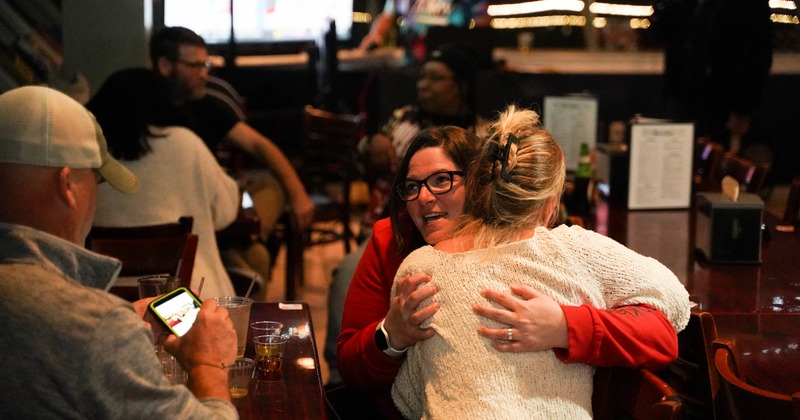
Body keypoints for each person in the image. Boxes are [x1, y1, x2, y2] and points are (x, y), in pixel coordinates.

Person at [337, 123, 684, 417]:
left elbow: (662, 329)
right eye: (411, 187)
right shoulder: (394, 243)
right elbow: (353, 368)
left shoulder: (555, 253)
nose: (424, 197)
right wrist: (390, 335)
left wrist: (565, 325)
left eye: (442, 180)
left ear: (479, 185)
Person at [0, 85, 238, 418]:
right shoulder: (95, 326)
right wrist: (207, 362)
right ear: (67, 186)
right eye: (96, 182)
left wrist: (119, 327)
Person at [324, 42, 490, 384]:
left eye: (442, 180)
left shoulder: (485, 136)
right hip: (397, 230)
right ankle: (336, 383)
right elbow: (358, 156)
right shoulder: (403, 119)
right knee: (348, 270)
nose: (422, 85)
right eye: (413, 186)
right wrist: (371, 144)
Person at [148, 26, 315, 295]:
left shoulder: (209, 100)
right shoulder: (144, 107)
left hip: (217, 206)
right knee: (258, 256)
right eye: (195, 66)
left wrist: (298, 195)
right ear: (165, 66)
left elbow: (259, 146)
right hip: (181, 216)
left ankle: (245, 241)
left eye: (206, 64)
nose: (205, 73)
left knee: (270, 190)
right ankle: (241, 248)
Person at [87, 68, 241, 299]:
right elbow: (225, 213)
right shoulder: (184, 143)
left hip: (105, 300)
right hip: (186, 303)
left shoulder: (88, 154)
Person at [651, 0, 772, 154]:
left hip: (719, 102)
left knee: (712, 162)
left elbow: (757, 53)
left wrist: (743, 108)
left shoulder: (745, 5)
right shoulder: (689, 5)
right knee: (676, 158)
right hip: (680, 95)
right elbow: (660, 32)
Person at [359, 0, 489, 63]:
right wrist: (375, 35)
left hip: (453, 63)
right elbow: (387, 16)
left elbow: (482, 21)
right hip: (412, 60)